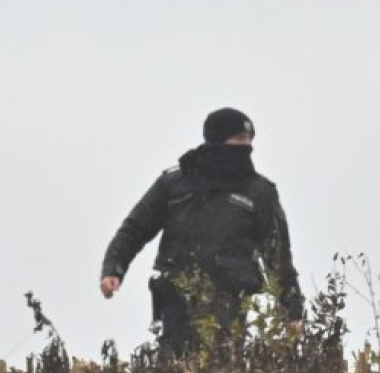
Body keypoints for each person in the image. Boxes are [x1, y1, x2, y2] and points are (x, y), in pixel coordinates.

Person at [100, 107, 303, 352]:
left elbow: (278, 255)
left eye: (249, 140)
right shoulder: (175, 184)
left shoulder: (260, 192)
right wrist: (113, 268)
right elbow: (134, 229)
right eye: (238, 139)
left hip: (230, 302)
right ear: (217, 140)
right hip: (176, 302)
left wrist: (291, 309)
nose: (245, 147)